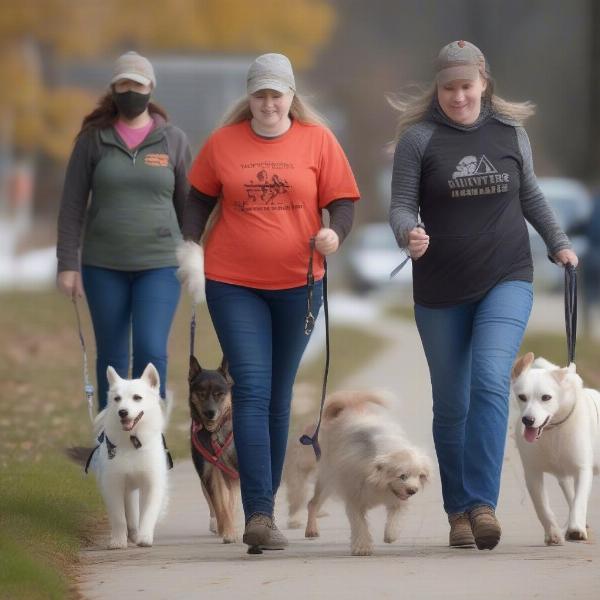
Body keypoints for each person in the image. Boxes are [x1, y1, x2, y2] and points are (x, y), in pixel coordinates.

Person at [388, 40, 578, 550]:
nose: (458, 96)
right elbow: (401, 205)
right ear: (438, 88)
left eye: (466, 86)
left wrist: (558, 243)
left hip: (507, 277)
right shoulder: (419, 140)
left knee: (492, 380)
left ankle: (483, 504)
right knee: (451, 404)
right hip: (440, 289)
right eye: (448, 87)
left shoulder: (510, 132)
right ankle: (457, 512)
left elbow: (531, 192)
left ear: (483, 83)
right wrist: (409, 233)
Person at [182, 53, 360, 551]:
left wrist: (333, 233)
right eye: (259, 94)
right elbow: (197, 198)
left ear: (290, 96)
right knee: (254, 389)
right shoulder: (223, 143)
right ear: (250, 96)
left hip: (298, 284)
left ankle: (264, 502)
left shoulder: (318, 141)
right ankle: (259, 514)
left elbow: (343, 201)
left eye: (276, 94)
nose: (267, 102)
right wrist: (192, 245)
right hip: (232, 280)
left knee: (279, 394)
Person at [57, 51, 191, 408]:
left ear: (150, 88)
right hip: (104, 266)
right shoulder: (93, 140)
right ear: (113, 89)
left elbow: (188, 208)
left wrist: (197, 257)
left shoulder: (172, 140)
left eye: (138, 83)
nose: (131, 89)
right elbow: (72, 205)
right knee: (113, 359)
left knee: (150, 350)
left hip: (160, 264)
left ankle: (151, 439)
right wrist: (67, 263)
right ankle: (109, 446)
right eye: (124, 83)